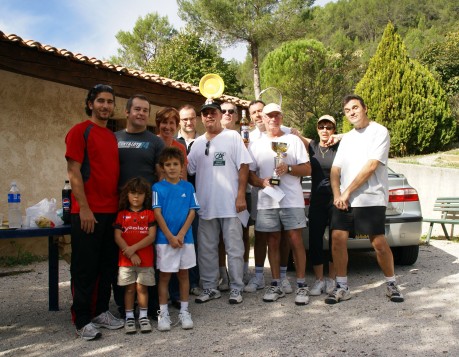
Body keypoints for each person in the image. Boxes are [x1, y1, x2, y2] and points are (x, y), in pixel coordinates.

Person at [326, 94, 404, 304]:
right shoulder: (348, 138)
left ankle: (391, 284)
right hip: (343, 199)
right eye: (347, 110)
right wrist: (337, 195)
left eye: (355, 108)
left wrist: (347, 192)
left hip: (371, 198)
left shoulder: (379, 132)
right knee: (337, 240)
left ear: (365, 108)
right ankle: (342, 286)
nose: (351, 112)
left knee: (378, 243)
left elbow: (371, 166)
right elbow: (335, 169)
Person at [65, 84, 124, 340]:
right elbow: (73, 171)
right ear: (90, 104)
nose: (105, 106)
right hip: (87, 213)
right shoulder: (80, 131)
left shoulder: (111, 136)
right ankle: (82, 319)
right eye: (100, 101)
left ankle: (100, 311)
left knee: (107, 267)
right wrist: (85, 208)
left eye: (110, 102)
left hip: (111, 212)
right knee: (84, 268)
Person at [187, 99, 252, 305]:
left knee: (234, 248)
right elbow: (189, 171)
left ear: (219, 115)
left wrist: (241, 195)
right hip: (205, 206)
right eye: (205, 113)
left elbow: (244, 166)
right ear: (201, 118)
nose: (209, 116)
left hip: (231, 204)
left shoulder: (232, 136)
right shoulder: (196, 144)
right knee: (207, 248)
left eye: (213, 112)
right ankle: (210, 287)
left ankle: (236, 287)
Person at [248, 103, 311, 305]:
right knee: (272, 241)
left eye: (277, 115)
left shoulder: (293, 140)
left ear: (281, 118)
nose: (273, 119)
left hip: (292, 199)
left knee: (295, 240)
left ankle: (301, 285)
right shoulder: (255, 144)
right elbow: (250, 174)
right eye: (269, 116)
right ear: (263, 119)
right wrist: (261, 182)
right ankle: (275, 283)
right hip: (268, 199)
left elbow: (308, 168)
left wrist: (290, 169)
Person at [115, 94, 165, 319]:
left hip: (147, 208)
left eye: (145, 110)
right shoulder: (114, 138)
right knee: (122, 256)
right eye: (137, 109)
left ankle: (150, 305)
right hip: (120, 207)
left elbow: (161, 174)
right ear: (127, 112)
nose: (142, 113)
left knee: (149, 256)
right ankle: (123, 306)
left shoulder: (156, 142)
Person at [244, 100, 293, 295]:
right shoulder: (248, 137)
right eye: (254, 112)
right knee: (262, 234)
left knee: (283, 235)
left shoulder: (287, 132)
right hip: (261, 192)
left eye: (260, 111)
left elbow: (304, 145)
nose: (257, 115)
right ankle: (258, 276)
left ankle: (282, 276)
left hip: (285, 193)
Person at [153, 147, 200, 331]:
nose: (172, 168)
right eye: (168, 164)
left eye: (175, 164)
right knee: (164, 276)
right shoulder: (157, 188)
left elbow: (192, 211)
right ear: (163, 168)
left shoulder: (188, 187)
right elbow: (157, 213)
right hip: (165, 241)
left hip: (185, 240)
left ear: (182, 167)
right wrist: (170, 236)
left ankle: (184, 311)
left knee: (184, 275)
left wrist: (180, 235)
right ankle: (163, 314)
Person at [300, 115, 342, 296]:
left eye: (329, 127)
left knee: (335, 239)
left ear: (334, 129)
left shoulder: (341, 147)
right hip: (317, 199)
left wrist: (339, 136)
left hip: (336, 198)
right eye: (321, 126)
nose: (325, 130)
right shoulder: (313, 146)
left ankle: (332, 280)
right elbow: (292, 132)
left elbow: (356, 134)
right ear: (317, 129)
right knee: (315, 239)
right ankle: (319, 280)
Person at [114, 177, 156, 334]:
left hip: (145, 261)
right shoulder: (122, 215)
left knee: (142, 289)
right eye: (132, 193)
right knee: (130, 289)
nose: (136, 197)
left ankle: (143, 317)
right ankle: (130, 317)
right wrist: (130, 254)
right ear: (127, 195)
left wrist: (134, 249)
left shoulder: (149, 214)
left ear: (146, 196)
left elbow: (151, 236)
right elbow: (118, 237)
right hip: (126, 262)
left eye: (140, 193)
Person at [217, 102, 252, 291]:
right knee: (221, 237)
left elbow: (247, 166)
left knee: (243, 234)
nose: (227, 114)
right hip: (221, 193)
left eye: (232, 111)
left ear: (238, 116)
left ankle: (243, 271)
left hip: (243, 192)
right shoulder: (211, 137)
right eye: (223, 111)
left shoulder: (246, 136)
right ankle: (223, 274)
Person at [156, 107, 188, 181]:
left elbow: (184, 178)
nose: (167, 127)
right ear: (158, 124)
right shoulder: (152, 143)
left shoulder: (180, 147)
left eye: (171, 123)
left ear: (176, 126)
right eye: (164, 122)